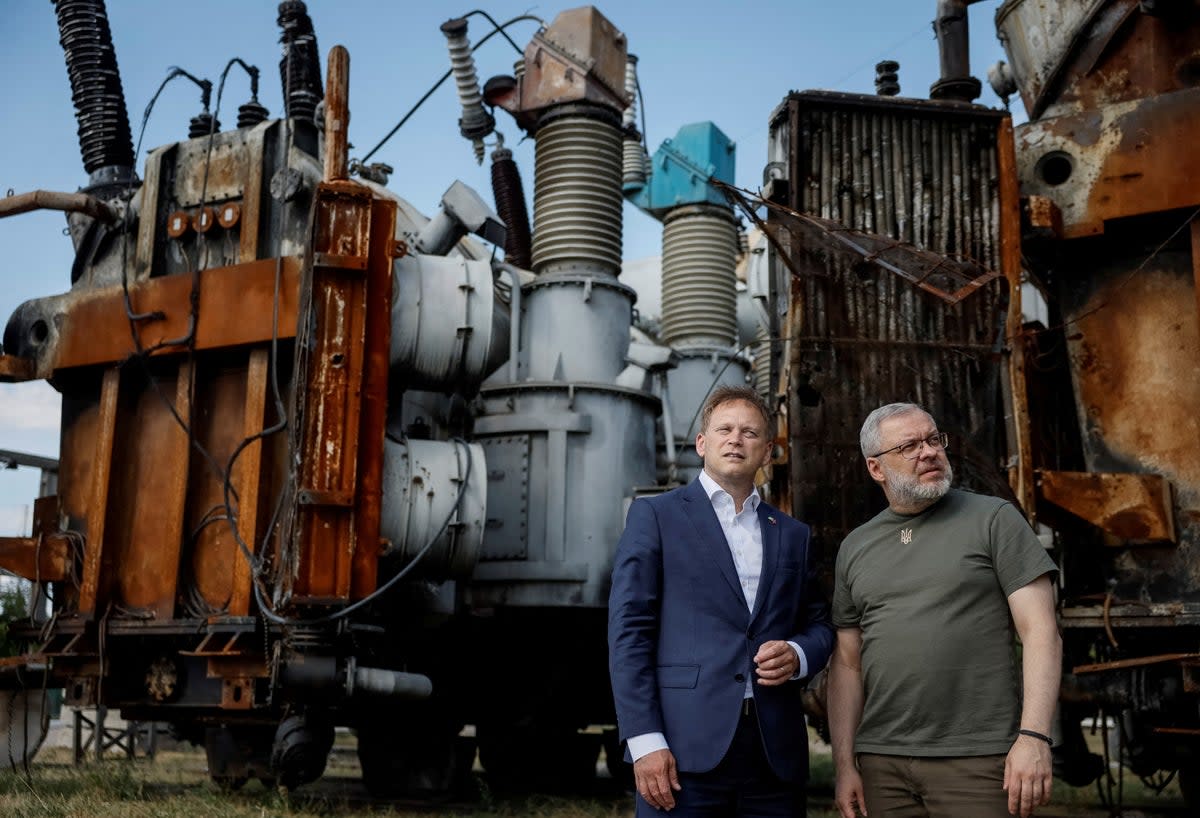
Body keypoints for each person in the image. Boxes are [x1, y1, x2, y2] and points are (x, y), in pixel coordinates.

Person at [608, 385, 834, 817]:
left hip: (773, 755)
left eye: (750, 433)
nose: (736, 439)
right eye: (724, 429)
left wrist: (799, 654)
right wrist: (644, 741)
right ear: (701, 443)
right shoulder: (655, 516)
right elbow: (629, 633)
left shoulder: (792, 534)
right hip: (680, 749)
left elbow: (820, 625)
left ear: (767, 451)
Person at [828, 402, 1061, 818]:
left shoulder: (994, 519)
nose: (929, 451)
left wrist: (1034, 737)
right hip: (883, 762)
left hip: (977, 758)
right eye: (909, 446)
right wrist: (845, 765)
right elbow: (847, 663)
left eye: (934, 439)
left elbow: (1040, 631)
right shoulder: (855, 547)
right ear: (876, 469)